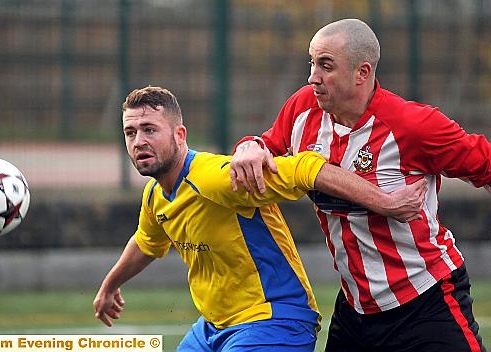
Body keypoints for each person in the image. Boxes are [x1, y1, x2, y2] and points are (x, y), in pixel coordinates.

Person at [93, 86, 426, 352]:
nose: (139, 141)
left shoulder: (215, 179)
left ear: (180, 135)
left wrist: (386, 202)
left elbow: (305, 168)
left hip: (274, 320)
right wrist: (110, 286)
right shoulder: (155, 196)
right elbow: (147, 241)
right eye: (131, 132)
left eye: (150, 130)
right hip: (215, 328)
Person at [230, 18, 489, 352]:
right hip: (356, 310)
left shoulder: (413, 125)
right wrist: (248, 146)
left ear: (362, 73)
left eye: (326, 66)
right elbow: (264, 147)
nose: (313, 77)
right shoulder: (302, 110)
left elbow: (484, 164)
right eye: (311, 63)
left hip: (427, 301)